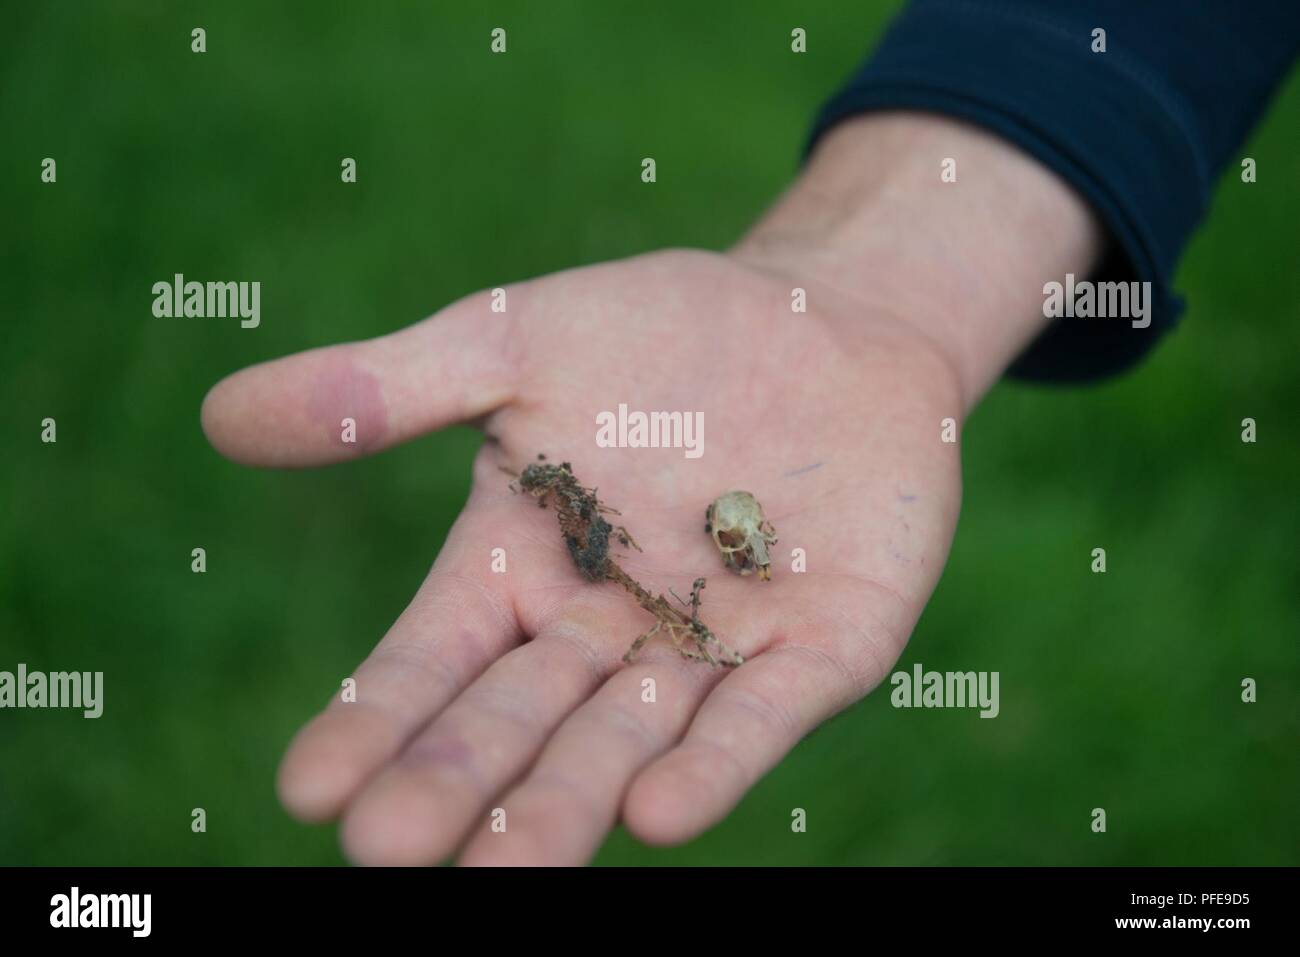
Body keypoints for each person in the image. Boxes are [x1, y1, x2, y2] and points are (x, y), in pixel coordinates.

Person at [200, 2, 1300, 865]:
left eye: (741, 550)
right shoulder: (645, 534)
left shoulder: (719, 544)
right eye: (737, 549)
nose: (738, 560)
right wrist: (883, 269)